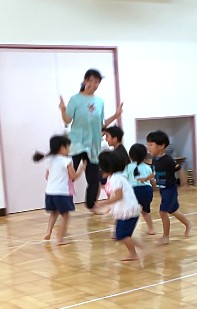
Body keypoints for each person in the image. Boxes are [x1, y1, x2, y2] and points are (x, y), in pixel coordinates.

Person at [58, 69, 123, 211]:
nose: (93, 84)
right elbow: (67, 120)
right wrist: (63, 110)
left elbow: (101, 124)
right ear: (85, 81)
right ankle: (60, 205)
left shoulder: (100, 101)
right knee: (68, 176)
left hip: (93, 145)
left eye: (97, 82)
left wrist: (116, 115)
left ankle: (91, 205)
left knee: (94, 179)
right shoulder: (75, 99)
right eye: (91, 80)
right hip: (76, 143)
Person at [33, 135, 86, 245]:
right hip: (62, 192)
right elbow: (73, 176)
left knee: (54, 213)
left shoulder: (50, 160)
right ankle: (60, 239)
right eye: (68, 147)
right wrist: (81, 169)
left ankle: (48, 232)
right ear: (62, 148)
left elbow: (46, 176)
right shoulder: (67, 160)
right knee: (65, 215)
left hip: (50, 192)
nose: (69, 149)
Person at [146, 130, 192, 245]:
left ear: (161, 146)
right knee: (173, 211)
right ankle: (188, 224)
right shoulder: (155, 160)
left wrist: (184, 184)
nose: (149, 147)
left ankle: (166, 237)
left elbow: (180, 169)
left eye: (151, 145)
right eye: (148, 145)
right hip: (163, 189)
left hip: (170, 190)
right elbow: (156, 173)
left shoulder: (168, 160)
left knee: (163, 212)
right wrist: (146, 178)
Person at [95, 151, 141, 261]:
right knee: (122, 234)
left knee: (122, 235)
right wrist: (110, 208)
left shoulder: (115, 178)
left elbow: (118, 196)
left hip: (128, 211)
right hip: (128, 210)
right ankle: (141, 247)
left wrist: (103, 203)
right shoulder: (116, 177)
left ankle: (133, 253)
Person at [125, 143, 155, 235]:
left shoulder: (128, 167)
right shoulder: (148, 167)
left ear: (130, 156)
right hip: (147, 190)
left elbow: (124, 181)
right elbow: (152, 180)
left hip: (133, 191)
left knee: (128, 212)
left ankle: (125, 230)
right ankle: (151, 229)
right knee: (146, 211)